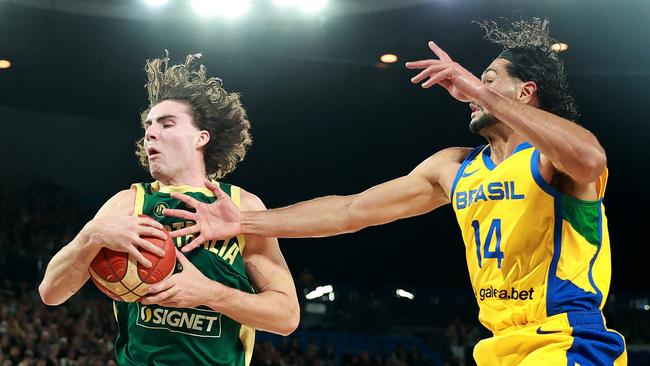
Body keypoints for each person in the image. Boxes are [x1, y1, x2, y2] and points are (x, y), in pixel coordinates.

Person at [163, 18, 627, 365]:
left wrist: (482, 93)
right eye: (476, 81)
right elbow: (350, 211)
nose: (470, 89)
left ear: (525, 93)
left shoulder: (552, 159)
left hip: (567, 340)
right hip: (499, 345)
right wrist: (244, 221)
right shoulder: (455, 166)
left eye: (487, 79)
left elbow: (592, 160)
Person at [38, 52, 300, 365]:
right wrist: (92, 234)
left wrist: (209, 293)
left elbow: (286, 317)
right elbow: (51, 293)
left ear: (201, 137)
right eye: (149, 125)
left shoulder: (241, 206)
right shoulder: (127, 204)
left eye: (167, 124)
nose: (150, 132)